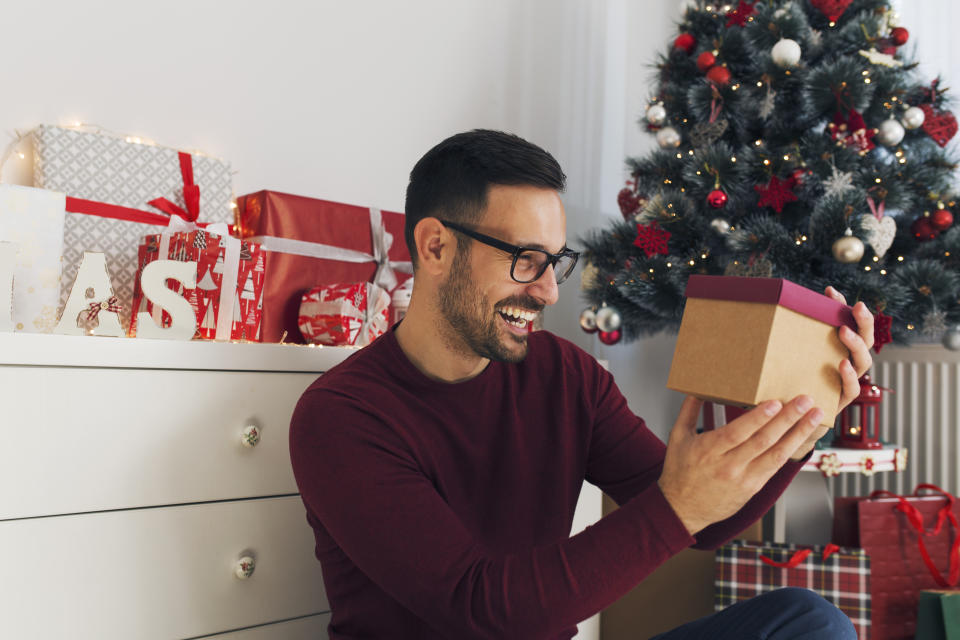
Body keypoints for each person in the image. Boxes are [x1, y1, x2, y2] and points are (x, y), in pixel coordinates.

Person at [289, 129, 873, 639]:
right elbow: (483, 607)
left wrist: (807, 420)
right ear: (436, 246)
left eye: (555, 261)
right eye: (525, 259)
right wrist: (677, 506)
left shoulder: (565, 375)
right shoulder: (342, 417)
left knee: (810, 622)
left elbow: (707, 521)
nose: (548, 291)